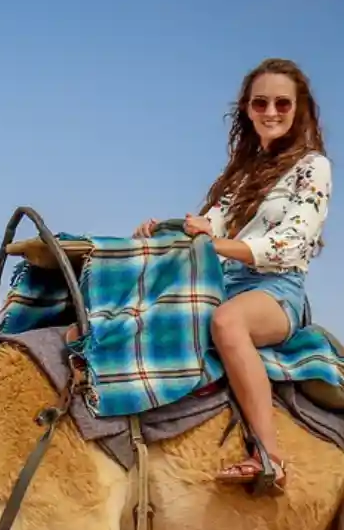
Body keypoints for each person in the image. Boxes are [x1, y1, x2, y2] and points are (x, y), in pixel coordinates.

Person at [134, 57, 331, 493]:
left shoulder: (312, 167)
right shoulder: (241, 175)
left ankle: (270, 458)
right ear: (247, 109)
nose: (271, 112)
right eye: (261, 103)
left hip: (276, 288)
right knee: (144, 313)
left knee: (227, 323)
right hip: (222, 282)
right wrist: (164, 230)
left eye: (282, 103)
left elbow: (290, 243)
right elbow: (210, 226)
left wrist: (215, 244)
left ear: (299, 109)